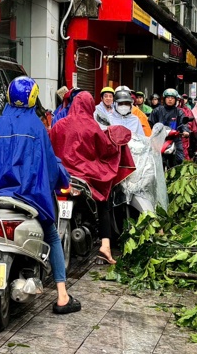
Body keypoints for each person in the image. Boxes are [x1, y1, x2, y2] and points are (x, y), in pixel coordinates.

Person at [0, 76, 81, 314]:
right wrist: (62, 181)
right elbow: (49, 165)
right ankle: (63, 296)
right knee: (53, 236)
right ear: (33, 99)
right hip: (28, 197)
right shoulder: (37, 127)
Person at [51, 91, 131, 265]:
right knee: (104, 201)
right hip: (86, 176)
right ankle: (106, 246)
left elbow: (51, 150)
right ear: (89, 106)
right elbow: (105, 150)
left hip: (62, 176)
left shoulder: (59, 125)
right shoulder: (92, 126)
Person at [148, 88, 190, 163]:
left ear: (176, 100)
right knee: (153, 160)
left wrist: (185, 131)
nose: (170, 99)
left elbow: (184, 123)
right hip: (160, 139)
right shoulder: (157, 111)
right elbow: (150, 124)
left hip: (175, 139)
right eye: (168, 97)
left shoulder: (179, 112)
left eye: (172, 98)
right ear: (164, 99)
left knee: (179, 159)